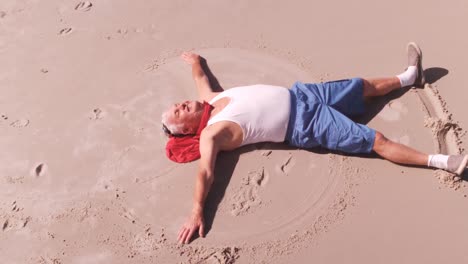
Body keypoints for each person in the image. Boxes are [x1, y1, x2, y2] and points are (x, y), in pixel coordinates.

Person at [161, 43, 468, 244]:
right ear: (187, 130)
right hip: (305, 124)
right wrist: (197, 211)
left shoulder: (210, 98)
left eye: (178, 104)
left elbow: (199, 74)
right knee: (376, 140)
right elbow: (205, 173)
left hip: (304, 95)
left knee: (362, 86)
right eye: (179, 112)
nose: (181, 105)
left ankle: (409, 77)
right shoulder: (213, 133)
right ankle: (443, 162)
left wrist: (196, 61)